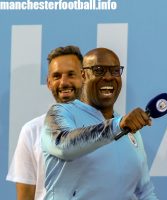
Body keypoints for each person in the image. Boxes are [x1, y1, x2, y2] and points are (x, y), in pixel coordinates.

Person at [41, 47, 158, 199]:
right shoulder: (61, 112)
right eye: (99, 70)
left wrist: (120, 124)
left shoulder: (130, 130)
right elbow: (64, 146)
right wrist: (118, 126)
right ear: (83, 76)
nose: (108, 77)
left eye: (115, 71)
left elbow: (144, 191)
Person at [6, 45, 85, 200]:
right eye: (56, 76)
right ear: (49, 83)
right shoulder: (32, 130)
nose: (64, 82)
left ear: (84, 77)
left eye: (71, 74)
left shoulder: (104, 128)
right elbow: (25, 196)